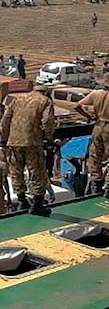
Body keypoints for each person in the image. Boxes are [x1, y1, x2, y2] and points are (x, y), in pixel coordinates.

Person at [1, 86, 55, 214]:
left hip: (14, 141)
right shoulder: (45, 101)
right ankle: (37, 204)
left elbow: (5, 120)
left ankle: (21, 200)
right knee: (36, 170)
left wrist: (3, 138)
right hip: (33, 142)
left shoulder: (17, 99)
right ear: (45, 92)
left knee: (16, 171)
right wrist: (48, 137)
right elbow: (48, 121)